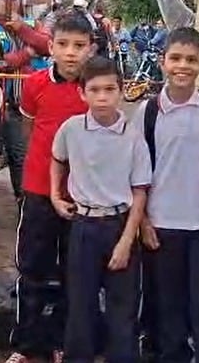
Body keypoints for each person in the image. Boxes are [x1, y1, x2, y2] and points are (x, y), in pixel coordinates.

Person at [136, 27, 199, 363]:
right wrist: (143, 221)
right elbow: (135, 174)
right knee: (168, 305)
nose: (183, 66)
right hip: (161, 225)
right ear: (162, 61)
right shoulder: (147, 112)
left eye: (191, 60)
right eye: (176, 58)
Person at [6, 14, 93, 363]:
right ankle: (25, 345)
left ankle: (62, 342)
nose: (71, 53)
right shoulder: (35, 84)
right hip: (39, 190)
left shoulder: (96, 89)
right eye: (63, 44)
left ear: (91, 49)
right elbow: (30, 130)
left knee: (76, 271)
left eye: (79, 45)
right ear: (51, 47)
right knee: (32, 267)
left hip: (83, 195)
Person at [51, 56, 150, 363]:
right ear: (82, 93)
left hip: (119, 224)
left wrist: (127, 240)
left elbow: (140, 191)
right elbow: (57, 159)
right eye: (94, 90)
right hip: (83, 225)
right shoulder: (71, 129)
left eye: (110, 89)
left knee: (122, 306)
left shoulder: (132, 137)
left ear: (121, 91)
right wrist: (55, 195)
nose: (103, 97)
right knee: (80, 304)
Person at [0, 0, 51, 200]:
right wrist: (28, 53)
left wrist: (21, 29)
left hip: (37, 104)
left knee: (37, 154)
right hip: (7, 106)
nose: (9, 2)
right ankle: (23, 201)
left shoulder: (32, 24)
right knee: (18, 157)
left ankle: (32, 200)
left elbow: (47, 45)